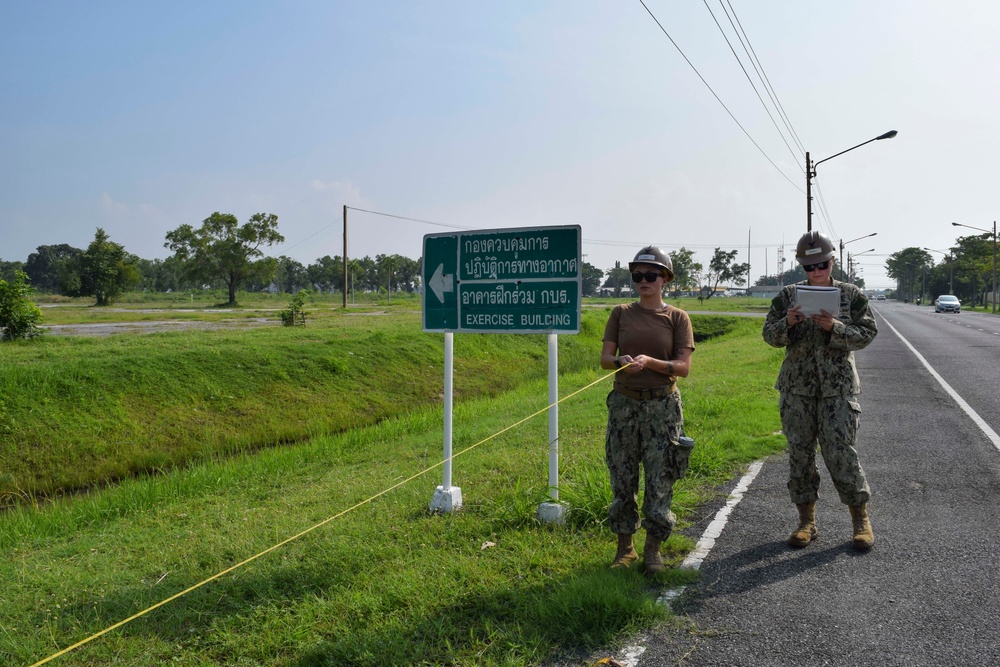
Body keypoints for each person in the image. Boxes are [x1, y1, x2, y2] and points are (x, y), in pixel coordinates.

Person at [762, 230, 878, 551]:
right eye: (810, 267)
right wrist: (788, 322)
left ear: (832, 261)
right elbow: (769, 335)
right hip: (797, 389)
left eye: (822, 264)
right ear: (803, 267)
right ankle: (806, 522)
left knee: (840, 453)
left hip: (837, 390)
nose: (817, 271)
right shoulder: (787, 296)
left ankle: (860, 520)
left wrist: (835, 328)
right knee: (799, 455)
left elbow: (867, 332)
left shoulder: (850, 295)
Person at [600, 246, 696, 574]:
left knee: (660, 477)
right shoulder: (620, 313)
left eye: (651, 275)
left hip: (663, 407)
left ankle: (652, 548)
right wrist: (620, 362)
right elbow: (604, 360)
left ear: (665, 279)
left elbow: (683, 368)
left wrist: (651, 362)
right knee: (622, 476)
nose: (644, 280)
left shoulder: (678, 317)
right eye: (638, 275)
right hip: (624, 405)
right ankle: (624, 548)